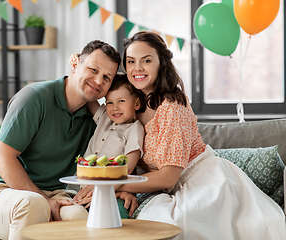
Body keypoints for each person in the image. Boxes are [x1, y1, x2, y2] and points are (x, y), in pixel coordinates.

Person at [81, 31, 286, 239]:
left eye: (147, 60)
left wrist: (110, 185)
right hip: (165, 188)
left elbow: (169, 176)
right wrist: (78, 70)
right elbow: (96, 102)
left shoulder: (172, 106)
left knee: (177, 226)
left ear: (161, 63)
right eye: (131, 61)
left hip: (201, 179)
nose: (138, 68)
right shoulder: (130, 104)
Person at [0, 40, 127, 240]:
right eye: (93, 69)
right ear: (75, 64)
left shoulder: (95, 119)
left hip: (56, 194)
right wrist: (42, 199)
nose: (98, 81)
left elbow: (119, 147)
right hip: (4, 192)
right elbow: (1, 159)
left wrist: (123, 188)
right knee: (34, 204)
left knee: (78, 216)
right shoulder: (34, 98)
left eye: (106, 77)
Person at [71, 72, 146, 218]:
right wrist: (77, 70)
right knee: (75, 216)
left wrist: (106, 191)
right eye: (110, 102)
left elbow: (128, 168)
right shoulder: (104, 117)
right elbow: (88, 97)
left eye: (121, 101)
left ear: (136, 103)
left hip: (113, 190)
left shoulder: (134, 129)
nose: (115, 107)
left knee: (115, 214)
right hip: (82, 187)